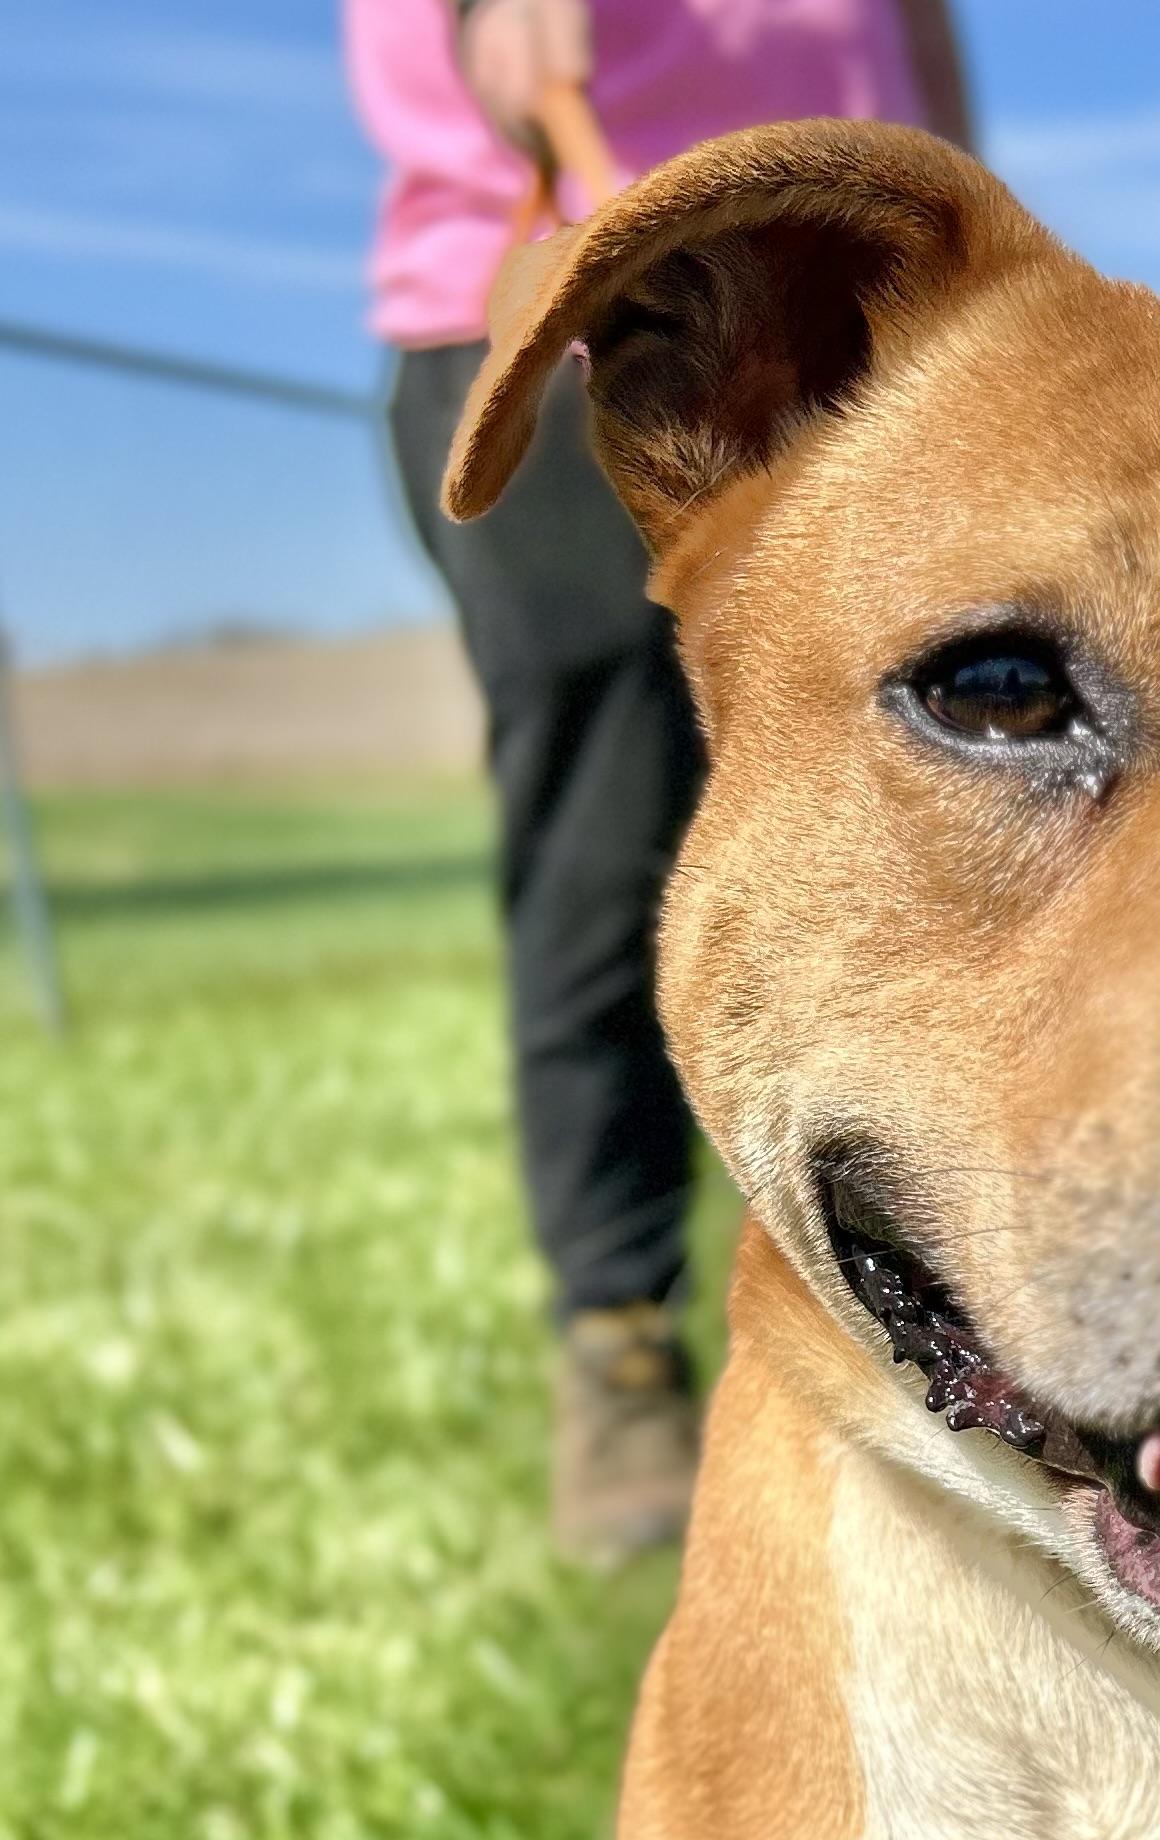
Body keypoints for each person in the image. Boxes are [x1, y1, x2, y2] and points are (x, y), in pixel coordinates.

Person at [344, 0, 972, 1561]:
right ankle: (622, 1332)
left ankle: (948, 1308)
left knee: (945, 823)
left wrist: (965, 226)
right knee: (604, 832)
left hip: (881, 312)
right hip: (575, 294)